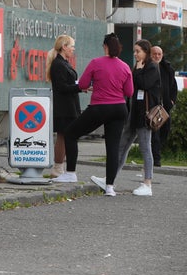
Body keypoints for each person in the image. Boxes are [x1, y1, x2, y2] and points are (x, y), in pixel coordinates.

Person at [54, 33, 133, 198]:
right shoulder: (125, 67)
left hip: (99, 108)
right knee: (112, 147)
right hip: (119, 109)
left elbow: (82, 84)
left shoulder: (96, 63)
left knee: (70, 133)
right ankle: (110, 187)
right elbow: (129, 92)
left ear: (105, 47)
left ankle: (70, 173)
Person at [110, 39, 160, 196]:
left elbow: (144, 84)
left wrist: (138, 70)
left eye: (138, 51)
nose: (135, 54)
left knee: (145, 147)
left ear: (145, 51)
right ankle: (110, 178)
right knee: (121, 146)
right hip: (134, 113)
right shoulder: (138, 67)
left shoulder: (152, 67)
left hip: (145, 115)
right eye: (135, 51)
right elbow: (131, 86)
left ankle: (148, 183)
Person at [45, 35, 82, 178]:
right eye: (72, 46)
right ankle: (58, 167)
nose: (73, 49)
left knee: (65, 136)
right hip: (64, 107)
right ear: (64, 47)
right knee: (64, 136)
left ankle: (59, 167)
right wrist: (79, 87)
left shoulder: (64, 63)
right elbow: (61, 87)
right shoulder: (59, 65)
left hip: (69, 105)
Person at [150, 45, 178, 167]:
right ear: (150, 55)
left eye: (159, 54)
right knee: (155, 132)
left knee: (165, 129)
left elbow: (174, 86)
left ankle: (155, 151)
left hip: (165, 106)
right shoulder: (147, 68)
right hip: (152, 106)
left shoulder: (167, 69)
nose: (156, 56)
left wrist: (172, 100)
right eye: (154, 54)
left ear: (162, 55)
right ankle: (156, 159)